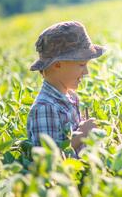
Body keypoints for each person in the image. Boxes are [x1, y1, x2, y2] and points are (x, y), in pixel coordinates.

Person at [26, 21, 106, 153]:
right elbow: (48, 158)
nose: (86, 72)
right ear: (57, 65)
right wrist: (82, 134)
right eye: (81, 65)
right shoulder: (45, 108)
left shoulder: (71, 96)